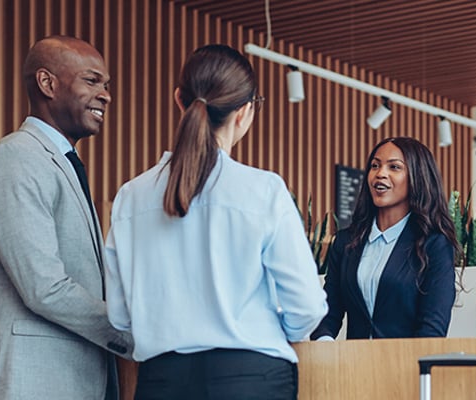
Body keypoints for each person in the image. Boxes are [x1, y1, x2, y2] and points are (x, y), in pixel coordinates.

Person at [103, 44, 327, 400]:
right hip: (253, 378)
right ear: (245, 113)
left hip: (162, 381)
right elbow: (307, 306)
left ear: (179, 100)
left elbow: (119, 317)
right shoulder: (263, 189)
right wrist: (266, 331)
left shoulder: (131, 197)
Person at [0, 36, 132, 400]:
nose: (105, 95)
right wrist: (132, 334)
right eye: (92, 81)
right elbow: (45, 288)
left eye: (106, 85)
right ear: (47, 84)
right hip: (28, 384)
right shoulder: (15, 159)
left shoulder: (61, 163)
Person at [311, 137, 461, 340]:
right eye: (375, 166)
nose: (380, 174)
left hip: (405, 365)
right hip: (351, 366)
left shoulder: (435, 244)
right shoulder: (346, 241)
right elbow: (329, 312)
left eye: (394, 167)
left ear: (417, 177)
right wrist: (325, 344)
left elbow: (432, 327)